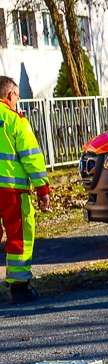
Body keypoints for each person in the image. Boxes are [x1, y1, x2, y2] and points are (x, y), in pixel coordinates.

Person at [0, 75, 50, 303]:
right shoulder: (14, 120)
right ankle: (19, 287)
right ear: (10, 95)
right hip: (12, 190)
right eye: (17, 97)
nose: (17, 102)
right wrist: (42, 188)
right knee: (19, 235)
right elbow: (31, 157)